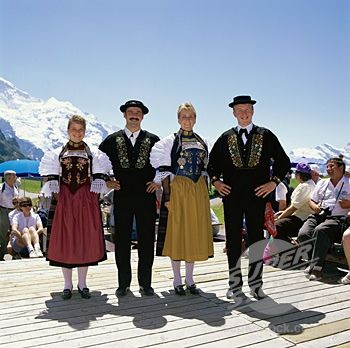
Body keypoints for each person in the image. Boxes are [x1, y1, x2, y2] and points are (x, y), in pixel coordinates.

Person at [207, 95, 290, 301]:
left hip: (257, 198)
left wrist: (273, 182)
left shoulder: (266, 135)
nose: (244, 113)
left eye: (247, 109)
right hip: (232, 197)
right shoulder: (225, 138)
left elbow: (283, 162)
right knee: (233, 240)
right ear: (233, 113)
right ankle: (234, 285)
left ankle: (256, 285)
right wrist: (217, 182)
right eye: (239, 110)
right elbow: (212, 165)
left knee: (256, 240)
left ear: (252, 111)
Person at [39, 115, 112, 300]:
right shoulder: (57, 153)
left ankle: (83, 284)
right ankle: (67, 284)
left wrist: (101, 182)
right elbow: (50, 177)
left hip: (85, 201)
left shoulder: (93, 154)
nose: (77, 133)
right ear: (68, 131)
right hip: (65, 200)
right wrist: (54, 185)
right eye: (74, 129)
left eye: (80, 130)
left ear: (85, 132)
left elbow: (100, 178)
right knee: (65, 239)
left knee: (84, 239)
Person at [150, 102, 213, 295]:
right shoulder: (170, 142)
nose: (187, 120)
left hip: (197, 191)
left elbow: (205, 168)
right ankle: (177, 279)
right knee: (177, 233)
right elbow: (165, 172)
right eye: (183, 117)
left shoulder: (202, 141)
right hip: (178, 189)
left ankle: (190, 279)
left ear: (195, 119)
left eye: (190, 116)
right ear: (178, 119)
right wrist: (167, 197)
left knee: (192, 233)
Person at [99, 100, 160, 297]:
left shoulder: (153, 140)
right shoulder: (111, 140)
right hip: (123, 196)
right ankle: (123, 283)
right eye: (130, 112)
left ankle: (146, 283)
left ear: (143, 116)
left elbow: (163, 165)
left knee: (146, 239)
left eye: (138, 112)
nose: (134, 115)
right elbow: (98, 164)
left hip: (146, 196)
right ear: (124, 115)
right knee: (122, 240)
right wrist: (107, 181)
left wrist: (157, 180)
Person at [297, 157, 350, 281]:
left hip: (337, 219)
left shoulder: (348, 182)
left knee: (321, 230)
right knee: (303, 234)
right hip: (319, 215)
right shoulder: (322, 182)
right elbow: (311, 200)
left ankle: (317, 269)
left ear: (341, 168)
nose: (328, 169)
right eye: (327, 166)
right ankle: (314, 261)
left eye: (331, 166)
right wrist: (315, 207)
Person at [273, 162, 315, 248]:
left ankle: (293, 248)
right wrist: (282, 213)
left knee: (276, 226)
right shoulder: (306, 184)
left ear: (298, 174)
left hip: (301, 218)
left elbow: (293, 208)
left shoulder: (305, 186)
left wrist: (280, 217)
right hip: (299, 216)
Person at [0, 170, 19, 261]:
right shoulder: (1, 188)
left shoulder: (15, 187)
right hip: (4, 211)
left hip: (14, 212)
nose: (16, 178)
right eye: (14, 176)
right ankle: (1, 255)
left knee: (14, 232)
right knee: (3, 234)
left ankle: (15, 253)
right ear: (8, 177)